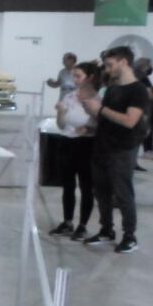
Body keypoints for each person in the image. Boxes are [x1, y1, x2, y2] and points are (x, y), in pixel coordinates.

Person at [82, 46, 149, 253]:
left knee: (123, 194)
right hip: (102, 147)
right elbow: (104, 117)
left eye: (110, 64)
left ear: (124, 62)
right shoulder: (112, 89)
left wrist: (100, 109)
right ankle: (106, 230)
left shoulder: (138, 90)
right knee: (102, 193)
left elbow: (130, 121)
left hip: (122, 149)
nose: (107, 69)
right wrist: (92, 115)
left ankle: (130, 235)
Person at [49, 61, 102, 240]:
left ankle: (83, 225)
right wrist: (61, 112)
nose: (75, 79)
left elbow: (102, 123)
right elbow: (61, 125)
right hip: (67, 143)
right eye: (74, 76)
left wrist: (89, 128)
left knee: (86, 187)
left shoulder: (99, 99)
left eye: (78, 76)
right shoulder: (69, 96)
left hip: (87, 145)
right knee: (68, 185)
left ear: (90, 78)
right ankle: (68, 221)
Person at [135, 57, 153, 160]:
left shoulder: (140, 77)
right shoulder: (143, 78)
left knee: (148, 128)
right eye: (148, 65)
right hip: (146, 107)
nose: (150, 67)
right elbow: (149, 94)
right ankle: (148, 150)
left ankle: (150, 148)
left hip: (145, 106)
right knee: (148, 128)